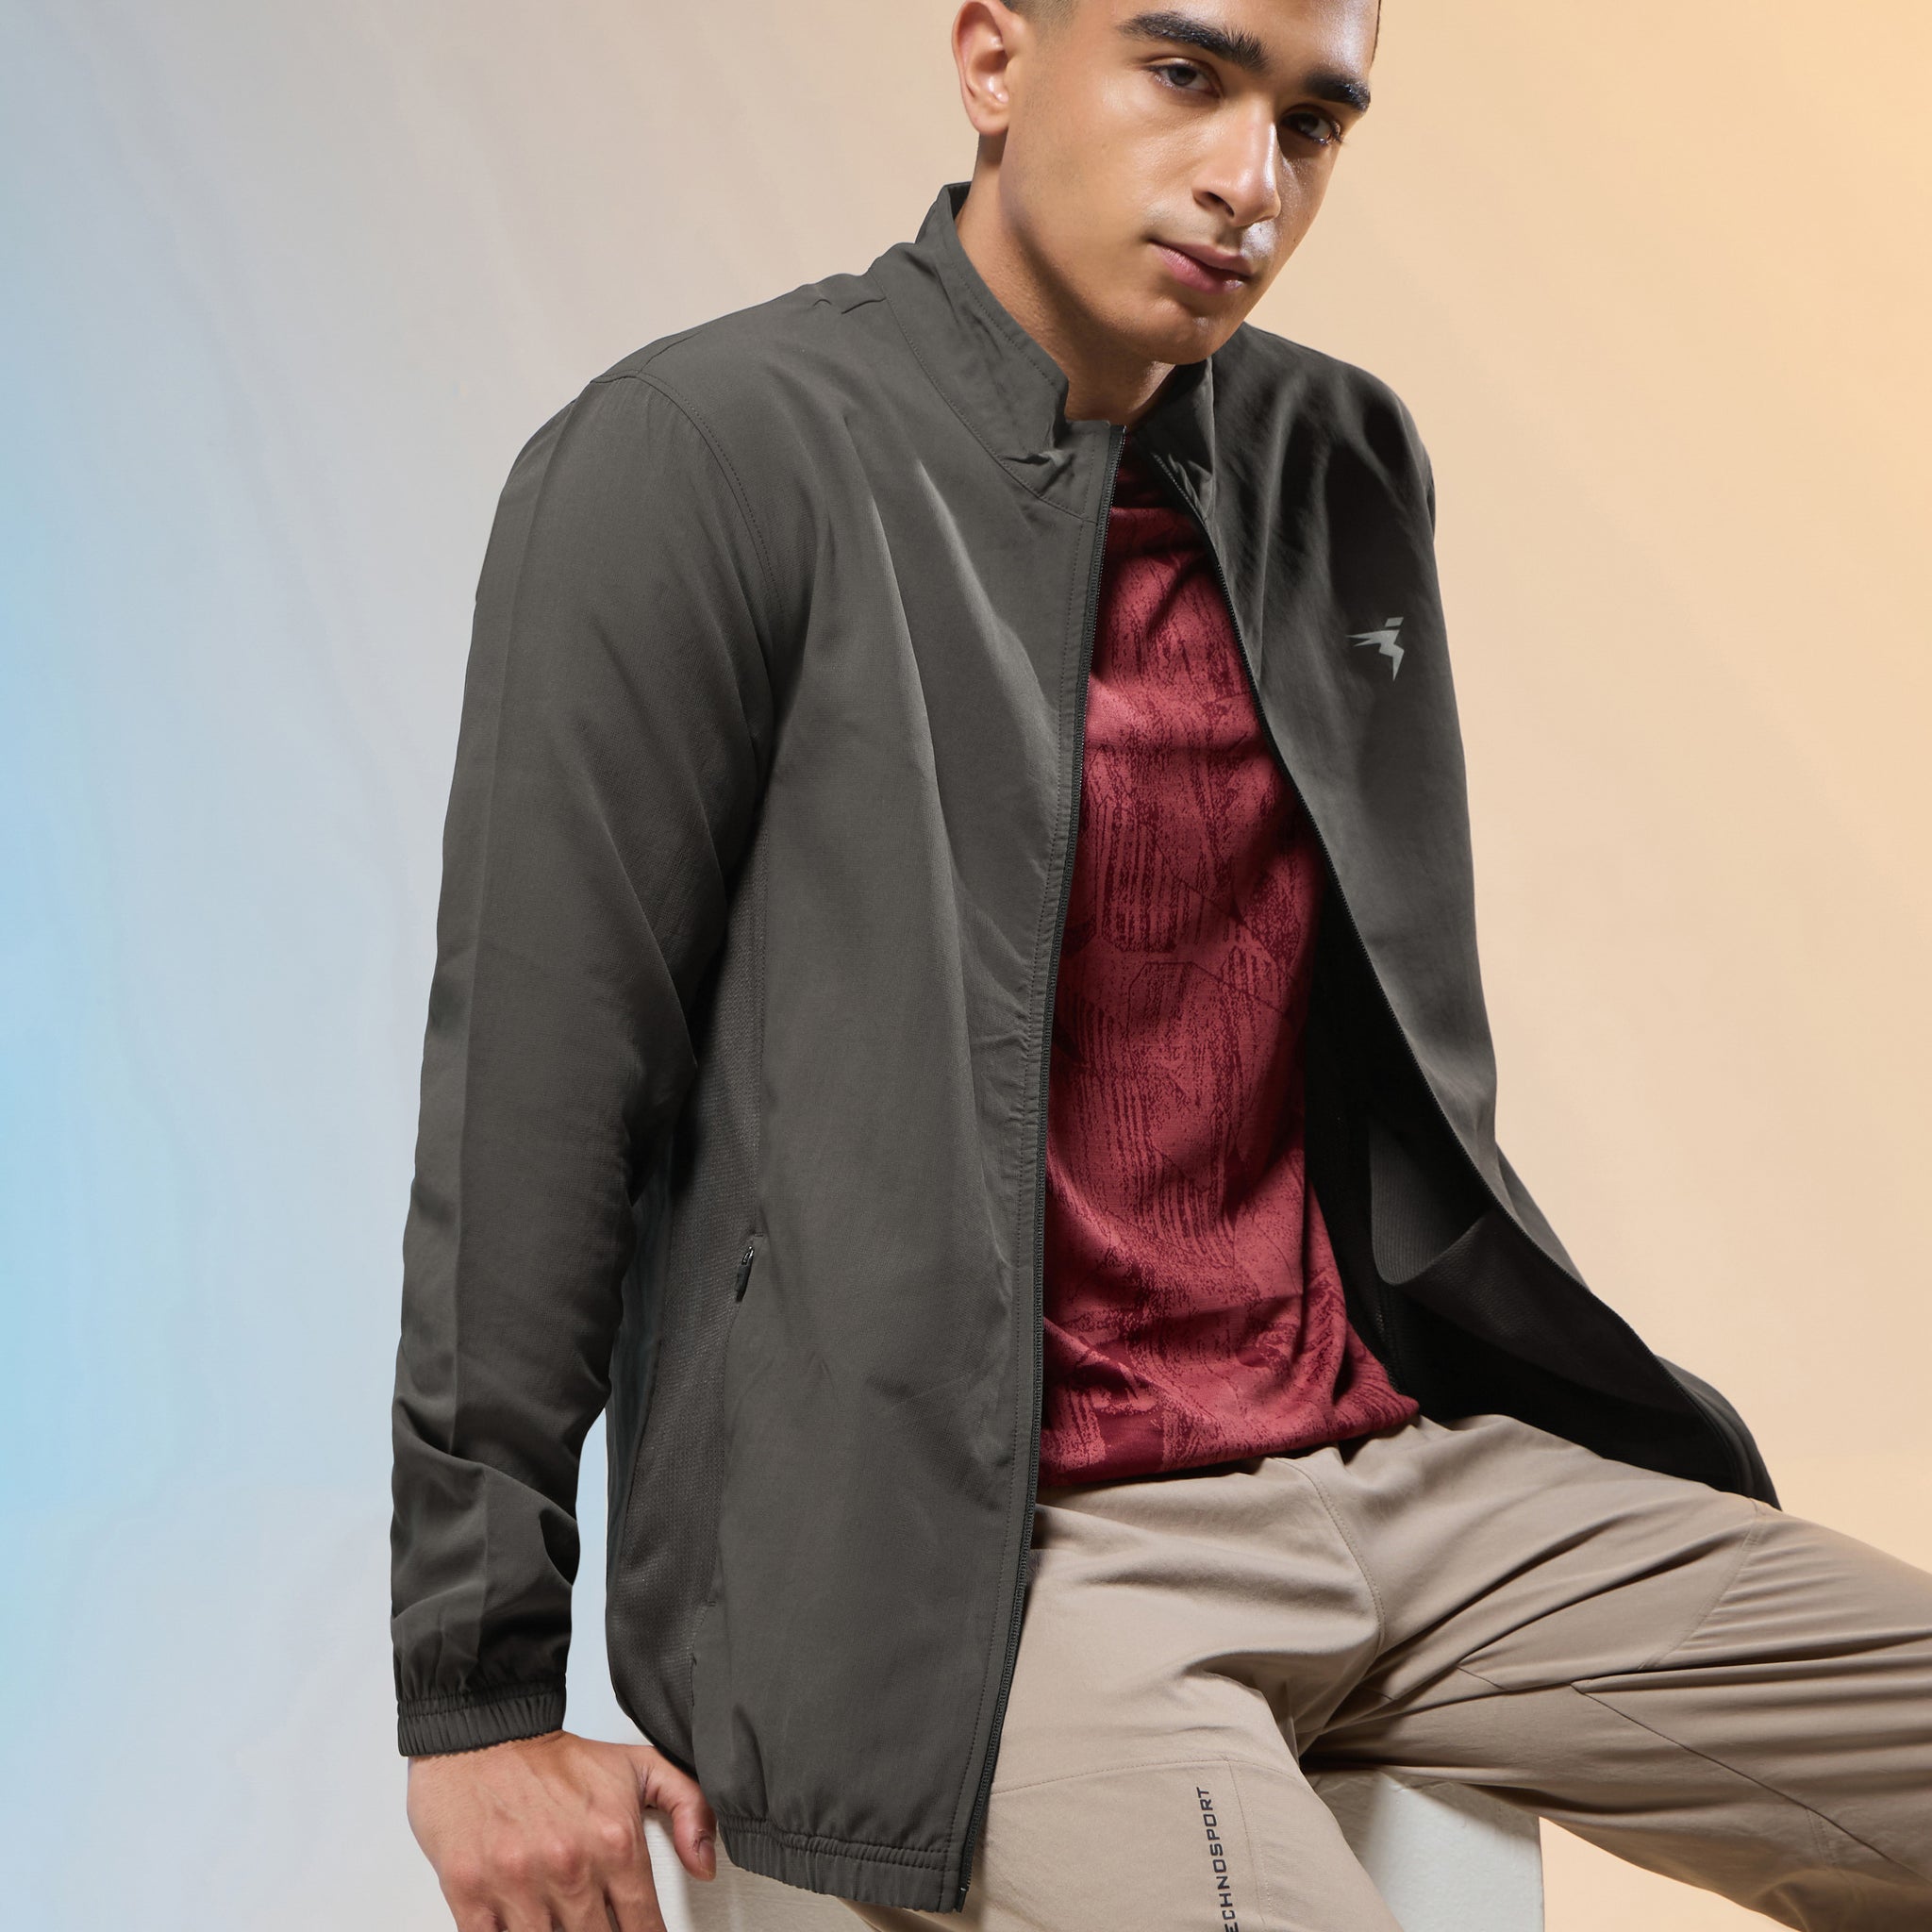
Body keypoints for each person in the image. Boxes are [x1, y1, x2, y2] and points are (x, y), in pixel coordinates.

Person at [391, 2, 1932, 1926]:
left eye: (1313, 123)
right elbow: (537, 1083)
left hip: (1405, 1478)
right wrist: (475, 1691)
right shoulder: (702, 454)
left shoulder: (1335, 454)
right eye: (1187, 75)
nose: (1247, 181)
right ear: (991, 59)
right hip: (991, 1559)